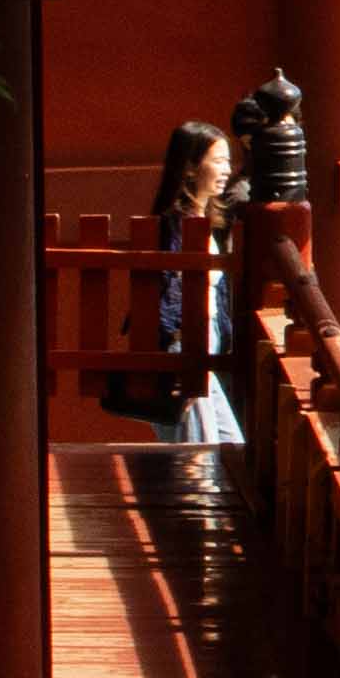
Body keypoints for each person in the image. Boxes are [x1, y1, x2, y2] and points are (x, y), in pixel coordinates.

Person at [138, 120, 244, 445]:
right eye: (219, 161)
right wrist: (176, 361)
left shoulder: (202, 222)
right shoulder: (175, 225)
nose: (227, 170)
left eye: (228, 161)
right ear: (190, 167)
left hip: (203, 345)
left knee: (229, 446)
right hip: (184, 346)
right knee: (198, 454)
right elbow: (166, 293)